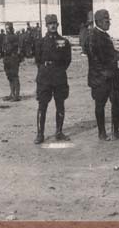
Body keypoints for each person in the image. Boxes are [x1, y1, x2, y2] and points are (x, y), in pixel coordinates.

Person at [86, 9, 119, 141]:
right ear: (98, 22)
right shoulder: (93, 36)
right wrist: (115, 58)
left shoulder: (104, 35)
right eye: (106, 21)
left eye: (109, 20)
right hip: (100, 78)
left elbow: (108, 52)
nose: (108, 23)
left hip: (112, 77)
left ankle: (117, 131)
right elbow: (95, 57)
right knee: (100, 104)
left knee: (116, 102)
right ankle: (102, 133)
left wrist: (117, 53)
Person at [34, 14, 72, 144]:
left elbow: (68, 60)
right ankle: (40, 134)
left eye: (55, 23)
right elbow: (37, 59)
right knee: (42, 105)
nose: (53, 25)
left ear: (58, 25)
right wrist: (45, 69)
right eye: (50, 23)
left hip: (59, 76)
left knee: (60, 104)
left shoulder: (64, 41)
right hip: (44, 77)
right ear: (46, 25)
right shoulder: (41, 42)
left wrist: (59, 70)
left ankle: (59, 132)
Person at [3, 23, 22, 102]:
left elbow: (18, 47)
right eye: (6, 28)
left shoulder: (15, 37)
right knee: (9, 76)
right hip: (7, 58)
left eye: (8, 28)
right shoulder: (5, 37)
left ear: (11, 28)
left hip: (13, 58)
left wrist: (18, 57)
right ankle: (12, 94)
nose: (7, 30)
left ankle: (17, 96)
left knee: (14, 76)